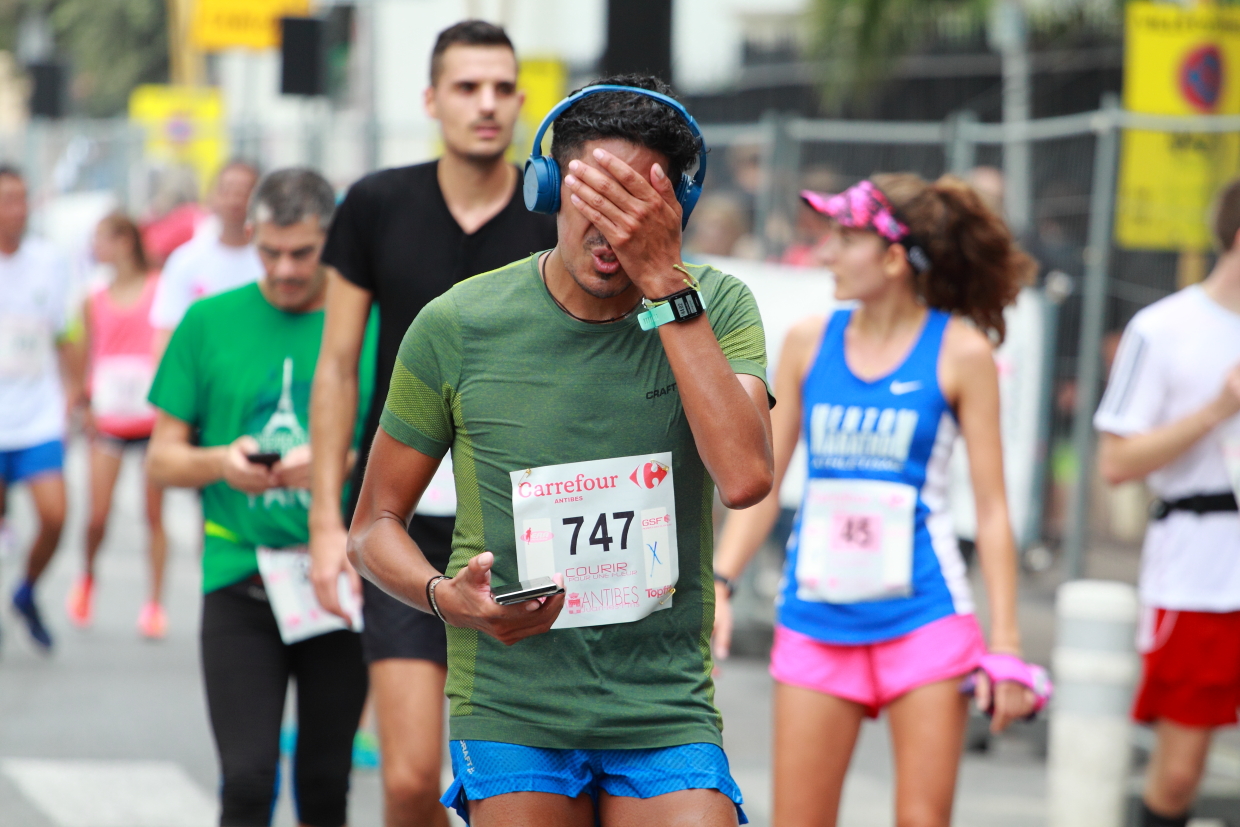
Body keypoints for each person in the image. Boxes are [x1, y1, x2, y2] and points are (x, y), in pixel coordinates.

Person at [348, 74, 772, 827]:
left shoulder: (716, 305)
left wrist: (665, 286)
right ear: (547, 191)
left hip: (663, 702)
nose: (613, 231)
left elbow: (743, 477)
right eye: (593, 199)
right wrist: (451, 600)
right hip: (513, 701)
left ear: (678, 209)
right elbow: (373, 525)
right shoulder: (457, 324)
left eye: (638, 206)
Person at [712, 175, 1044, 827]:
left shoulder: (962, 351)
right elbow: (765, 481)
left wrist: (1005, 646)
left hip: (925, 619)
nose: (827, 252)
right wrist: (722, 580)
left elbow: (995, 510)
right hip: (816, 619)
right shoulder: (808, 341)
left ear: (893, 257)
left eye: (844, 238)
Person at [309, 20, 556, 826]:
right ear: (431, 99)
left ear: (521, 101)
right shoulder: (376, 203)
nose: (485, 105)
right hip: (403, 522)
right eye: (465, 87)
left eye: (500, 89)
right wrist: (325, 522)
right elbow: (340, 367)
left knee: (521, 783)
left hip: (531, 523)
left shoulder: (552, 215)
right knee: (413, 778)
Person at [146, 168, 368, 827]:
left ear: (333, 240)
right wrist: (222, 460)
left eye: (303, 252)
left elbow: (410, 447)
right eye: (269, 251)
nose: (286, 270)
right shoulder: (209, 320)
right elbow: (161, 457)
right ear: (251, 238)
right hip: (239, 574)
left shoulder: (371, 318)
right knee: (246, 781)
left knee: (326, 783)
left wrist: (334, 462)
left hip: (337, 581)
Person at [1094, 179, 1240, 827]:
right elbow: (1117, 461)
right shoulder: (1164, 328)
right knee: (1179, 773)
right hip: (1200, 570)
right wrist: (1218, 409)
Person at [66, 213, 168, 638]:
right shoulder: (93, 298)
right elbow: (81, 350)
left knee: (153, 515)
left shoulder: (158, 289)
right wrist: (82, 402)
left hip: (149, 417)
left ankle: (155, 604)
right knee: (98, 514)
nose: (96, 248)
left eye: (102, 239)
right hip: (108, 417)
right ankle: (88, 576)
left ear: (126, 241)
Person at [0, 165, 77, 651]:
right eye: (8, 199)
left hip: (38, 415)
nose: (17, 209)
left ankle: (26, 590)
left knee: (54, 515)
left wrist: (78, 394)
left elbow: (66, 332)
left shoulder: (50, 261)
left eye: (23, 199)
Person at [149, 159, 262, 357]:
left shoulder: (272, 261)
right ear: (212, 196)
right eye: (227, 190)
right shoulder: (185, 261)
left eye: (244, 192)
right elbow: (167, 332)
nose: (235, 200)